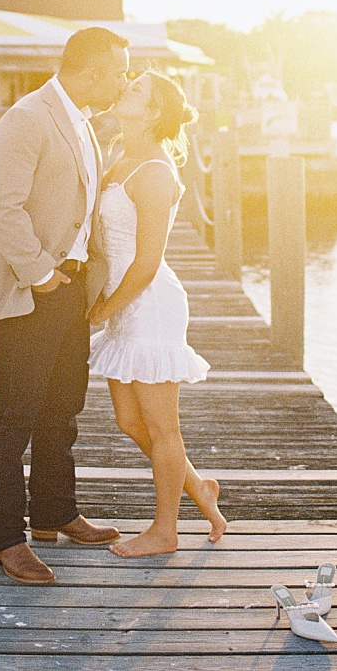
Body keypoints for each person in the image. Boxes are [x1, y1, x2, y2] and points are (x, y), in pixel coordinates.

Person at [0, 27, 130, 585]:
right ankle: (2, 538)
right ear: (88, 69)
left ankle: (56, 513)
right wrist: (39, 275)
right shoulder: (27, 117)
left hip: (72, 286)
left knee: (62, 405)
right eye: (118, 70)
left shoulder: (83, 121)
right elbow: (2, 205)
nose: (123, 80)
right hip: (32, 286)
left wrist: (78, 279)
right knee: (14, 411)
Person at [86, 71, 227, 556]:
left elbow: (147, 262)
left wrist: (101, 311)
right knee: (129, 421)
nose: (125, 87)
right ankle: (200, 490)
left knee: (165, 428)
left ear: (152, 112)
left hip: (149, 305)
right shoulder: (121, 156)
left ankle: (165, 531)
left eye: (137, 90)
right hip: (125, 302)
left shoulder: (155, 171)